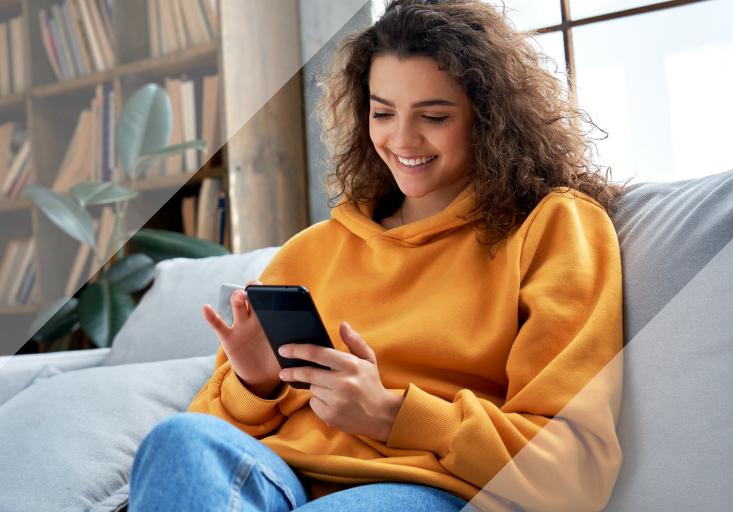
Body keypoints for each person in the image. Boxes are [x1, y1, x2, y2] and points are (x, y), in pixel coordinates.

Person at [127, 1, 625, 510]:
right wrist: (255, 385)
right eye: (383, 112)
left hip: (424, 486)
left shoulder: (553, 227)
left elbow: (572, 468)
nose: (402, 139)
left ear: (489, 118)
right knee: (177, 441)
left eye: (433, 116)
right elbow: (212, 444)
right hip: (279, 476)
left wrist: (390, 413)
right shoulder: (313, 249)